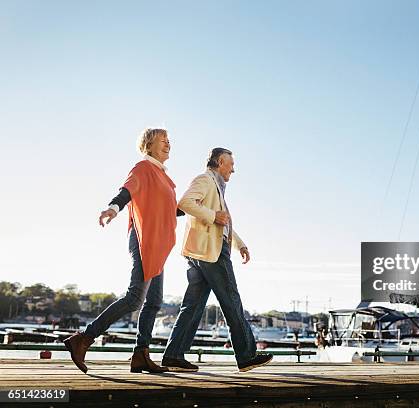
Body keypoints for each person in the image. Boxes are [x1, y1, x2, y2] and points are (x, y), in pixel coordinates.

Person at [64, 128, 179, 374]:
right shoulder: (143, 168)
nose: (168, 144)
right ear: (149, 145)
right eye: (163, 140)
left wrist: (195, 207)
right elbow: (127, 191)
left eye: (169, 140)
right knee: (135, 297)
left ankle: (141, 355)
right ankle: (83, 339)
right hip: (143, 240)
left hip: (158, 244)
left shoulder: (164, 177)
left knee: (154, 301)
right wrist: (112, 209)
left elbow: (169, 210)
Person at [161, 147, 272, 372]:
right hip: (211, 253)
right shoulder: (205, 180)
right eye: (231, 164)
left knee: (192, 306)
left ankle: (173, 355)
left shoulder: (217, 187)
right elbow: (185, 203)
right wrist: (213, 216)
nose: (233, 169)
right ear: (220, 162)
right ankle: (247, 355)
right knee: (231, 300)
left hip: (200, 253)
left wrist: (240, 243)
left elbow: (224, 223)